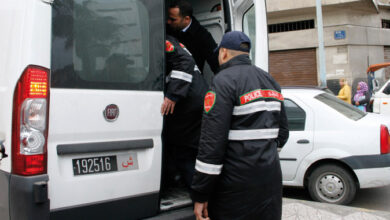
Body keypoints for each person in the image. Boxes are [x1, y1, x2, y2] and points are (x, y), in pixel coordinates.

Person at [191, 31, 289, 220]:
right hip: (270, 180)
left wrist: (200, 193)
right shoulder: (271, 82)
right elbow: (283, 133)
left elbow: (212, 144)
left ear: (224, 52)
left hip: (236, 185)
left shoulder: (223, 81)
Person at [161, 35, 208, 188]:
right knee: (191, 148)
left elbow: (185, 62)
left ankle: (197, 193)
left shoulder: (162, 38)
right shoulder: (174, 42)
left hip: (189, 101)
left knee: (182, 148)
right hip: (196, 99)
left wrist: (172, 95)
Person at [167, 0, 219, 74]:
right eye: (169, 18)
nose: (168, 22)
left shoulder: (203, 36)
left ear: (186, 19)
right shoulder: (168, 30)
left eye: (173, 19)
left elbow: (216, 64)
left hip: (191, 81)